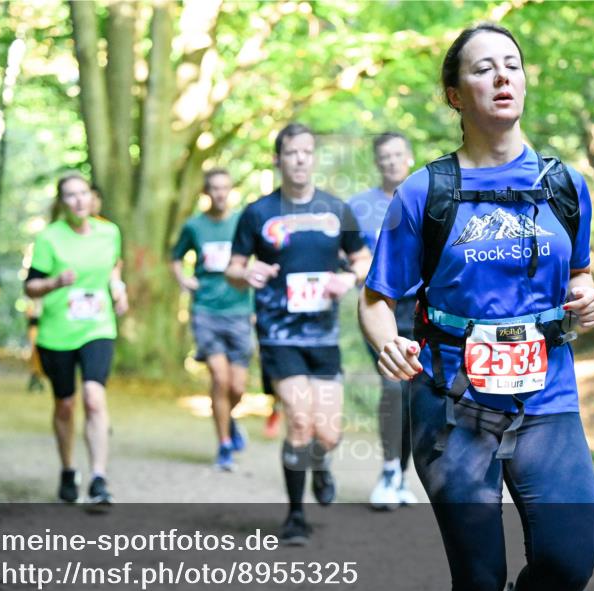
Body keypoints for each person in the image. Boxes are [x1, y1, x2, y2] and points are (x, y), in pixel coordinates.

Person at [359, 24, 594, 591]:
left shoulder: (563, 185)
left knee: (567, 564)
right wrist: (388, 343)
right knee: (476, 574)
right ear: (453, 94)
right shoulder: (425, 192)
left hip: (546, 394)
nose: (502, 77)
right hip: (452, 400)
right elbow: (377, 297)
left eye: (512, 65)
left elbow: (578, 272)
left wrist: (588, 296)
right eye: (483, 68)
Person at [226, 123, 370, 546]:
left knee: (327, 434)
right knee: (299, 419)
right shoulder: (258, 212)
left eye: (308, 151)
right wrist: (245, 272)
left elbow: (363, 259)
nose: (301, 159)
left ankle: (321, 464)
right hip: (278, 334)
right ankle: (295, 516)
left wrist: (348, 279)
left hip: (323, 337)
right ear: (278, 159)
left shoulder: (336, 209)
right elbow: (234, 268)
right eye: (292, 152)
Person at [25, 173, 129, 508]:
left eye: (83, 193)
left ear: (92, 197)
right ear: (62, 203)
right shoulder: (49, 239)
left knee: (94, 397)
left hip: (97, 326)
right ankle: (68, 469)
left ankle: (99, 477)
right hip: (57, 332)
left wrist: (118, 289)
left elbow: (113, 269)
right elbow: (31, 287)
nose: (79, 200)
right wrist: (55, 282)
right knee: (65, 405)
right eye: (71, 196)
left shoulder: (109, 232)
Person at [348, 132, 420, 510]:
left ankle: (401, 475)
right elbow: (347, 256)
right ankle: (390, 470)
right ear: (377, 163)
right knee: (394, 385)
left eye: (397, 155)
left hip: (422, 309)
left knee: (415, 394)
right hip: (381, 307)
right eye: (384, 157)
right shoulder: (358, 206)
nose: (391, 161)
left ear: (408, 158)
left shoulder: (425, 198)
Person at [171, 168, 253, 470]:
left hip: (240, 310)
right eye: (214, 188)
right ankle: (224, 446)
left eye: (224, 188)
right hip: (206, 310)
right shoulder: (194, 226)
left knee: (238, 387)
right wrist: (183, 280)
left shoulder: (242, 223)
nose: (220, 193)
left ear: (230, 190)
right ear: (206, 192)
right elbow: (175, 257)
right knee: (220, 377)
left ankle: (228, 420)